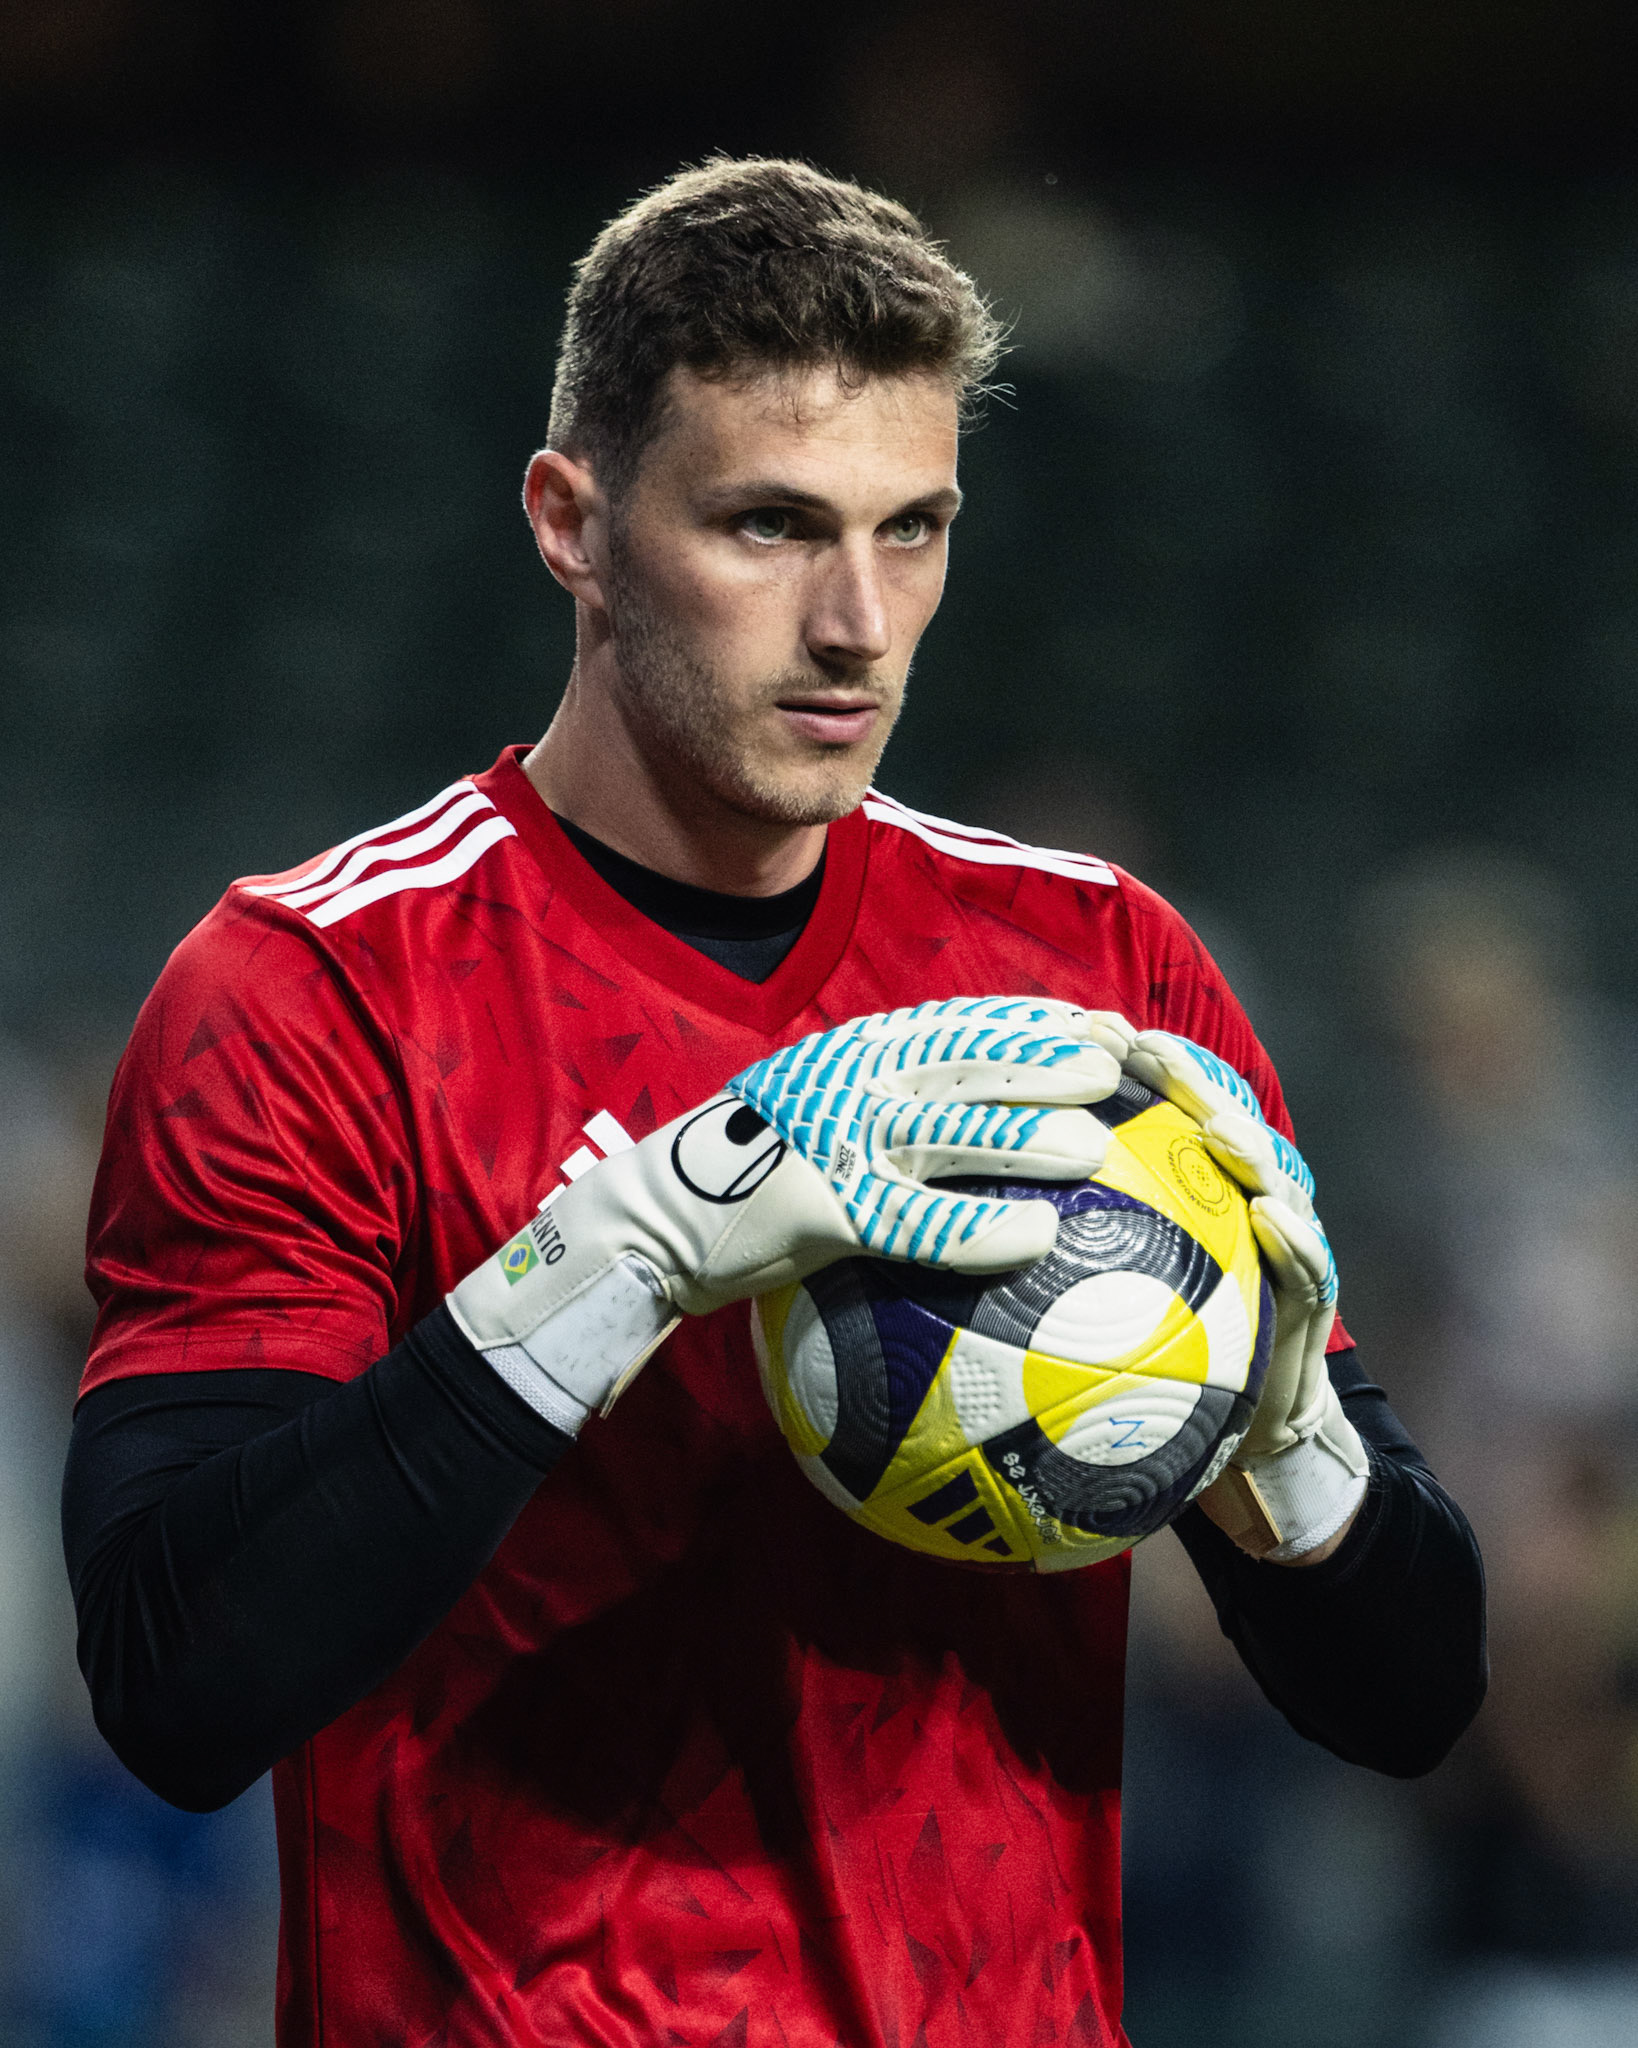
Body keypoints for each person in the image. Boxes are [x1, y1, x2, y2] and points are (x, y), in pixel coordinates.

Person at [65, 159, 1485, 2047]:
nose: (857, 623)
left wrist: (1288, 1447)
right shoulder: (314, 990)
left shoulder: (1096, 972)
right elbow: (177, 1684)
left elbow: (1404, 1705)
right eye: (768, 525)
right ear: (569, 523)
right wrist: (619, 1258)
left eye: (914, 532)